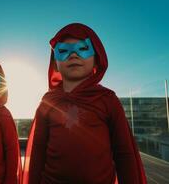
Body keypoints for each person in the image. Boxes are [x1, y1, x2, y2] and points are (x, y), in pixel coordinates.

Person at [22, 23, 147, 184]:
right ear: (55, 64)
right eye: (63, 51)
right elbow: (38, 151)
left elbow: (124, 153)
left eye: (82, 48)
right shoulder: (49, 102)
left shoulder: (107, 99)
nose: (73, 55)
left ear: (97, 59)